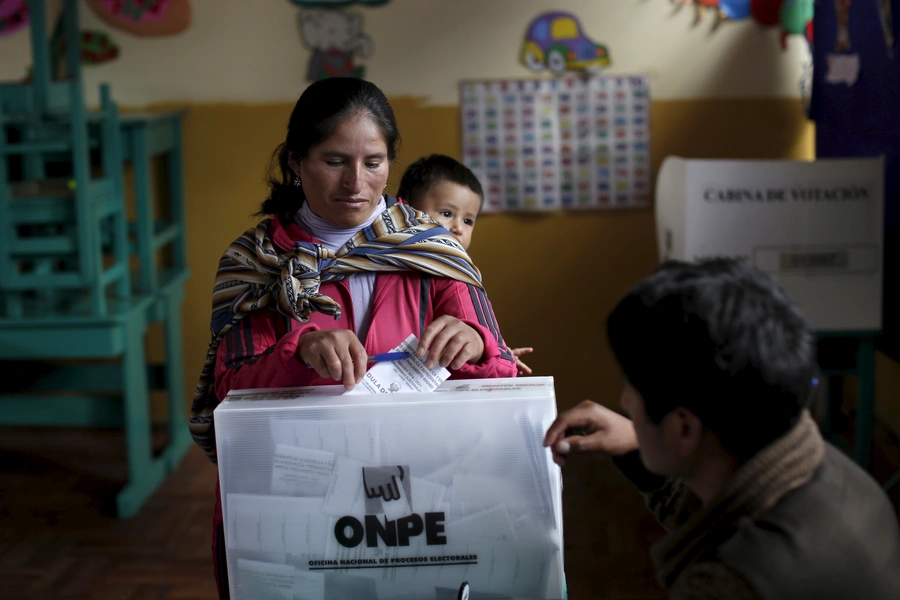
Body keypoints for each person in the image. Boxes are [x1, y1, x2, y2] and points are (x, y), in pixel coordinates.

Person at [189, 78, 517, 598]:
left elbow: (503, 372)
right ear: (296, 161)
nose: (356, 183)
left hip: (418, 496)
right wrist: (301, 352)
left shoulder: (435, 252)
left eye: (374, 162)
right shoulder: (254, 262)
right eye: (334, 160)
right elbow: (229, 393)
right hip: (291, 497)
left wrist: (475, 343)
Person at [544, 258, 900, 600]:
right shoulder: (840, 473)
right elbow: (722, 505)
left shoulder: (730, 584)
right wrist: (639, 445)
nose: (624, 402)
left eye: (630, 389)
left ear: (684, 429)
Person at [397, 153, 534, 375]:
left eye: (468, 220)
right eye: (447, 213)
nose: (458, 228)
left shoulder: (458, 275)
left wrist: (489, 352)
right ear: (404, 208)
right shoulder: (379, 261)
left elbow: (470, 330)